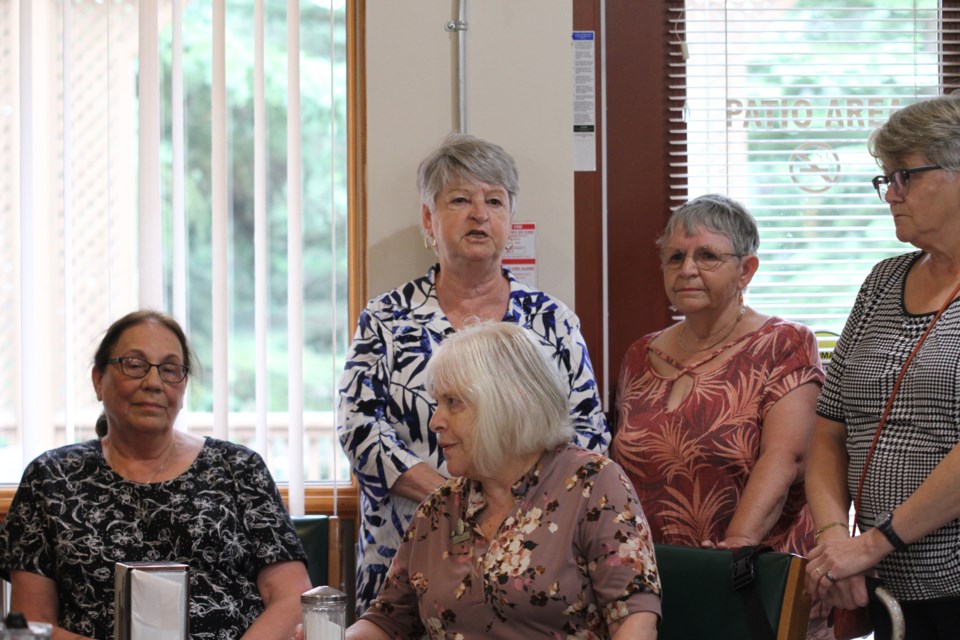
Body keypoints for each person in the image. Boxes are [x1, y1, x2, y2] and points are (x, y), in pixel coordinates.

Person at [337, 133, 609, 613]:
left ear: (510, 221)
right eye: (460, 199)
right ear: (429, 219)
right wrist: (450, 499)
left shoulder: (552, 320)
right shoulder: (385, 316)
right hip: (403, 550)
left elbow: (587, 432)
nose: (479, 213)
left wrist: (515, 506)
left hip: (532, 550)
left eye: (494, 201)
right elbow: (359, 428)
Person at [0, 310, 311, 639]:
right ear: (97, 380)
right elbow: (33, 625)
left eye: (169, 369)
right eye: (134, 365)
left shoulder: (239, 469)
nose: (153, 382)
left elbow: (292, 597)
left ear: (183, 385)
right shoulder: (49, 478)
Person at [344, 322, 660, 639]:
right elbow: (387, 621)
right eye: (437, 403)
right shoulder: (440, 508)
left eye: (453, 402)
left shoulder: (591, 484)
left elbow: (634, 619)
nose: (435, 421)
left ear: (508, 401)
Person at [805, 94, 960, 639]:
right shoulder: (882, 282)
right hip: (879, 580)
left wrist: (871, 544)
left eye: (905, 177)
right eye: (885, 180)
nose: (891, 195)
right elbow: (828, 431)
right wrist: (834, 544)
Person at [612, 194, 824, 553]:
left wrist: (736, 545)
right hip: (653, 571)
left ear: (746, 270)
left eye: (707, 256)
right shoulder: (640, 354)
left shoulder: (784, 343)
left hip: (749, 569)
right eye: (675, 257)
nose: (687, 269)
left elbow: (786, 457)